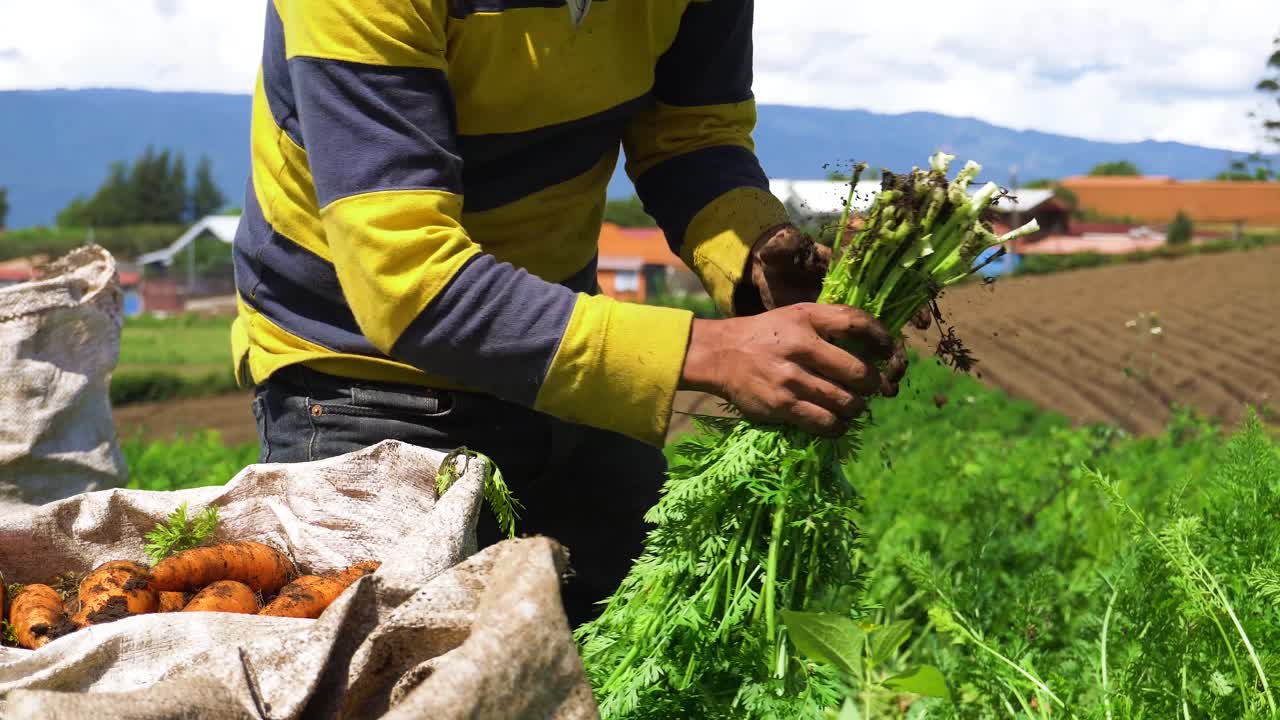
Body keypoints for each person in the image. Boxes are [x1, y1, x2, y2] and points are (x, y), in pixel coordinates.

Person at [233, 0, 913, 626]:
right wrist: (710, 355)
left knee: (634, 641)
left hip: (555, 342)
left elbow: (688, 132)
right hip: (362, 377)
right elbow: (406, 281)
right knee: (394, 680)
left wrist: (755, 250)